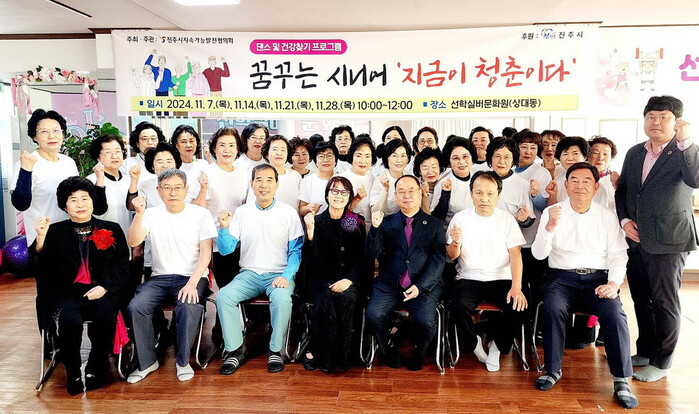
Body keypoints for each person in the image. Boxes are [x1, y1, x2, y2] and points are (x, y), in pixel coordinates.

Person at [532, 162, 637, 409]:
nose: (580, 185)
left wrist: (613, 283)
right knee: (552, 307)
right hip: (561, 279)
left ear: (596, 187)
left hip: (598, 280)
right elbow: (538, 254)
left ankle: (621, 379)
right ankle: (552, 370)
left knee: (614, 313)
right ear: (566, 185)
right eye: (575, 180)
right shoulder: (553, 212)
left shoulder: (607, 216)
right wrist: (549, 228)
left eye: (587, 181)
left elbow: (618, 255)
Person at [615, 95, 699, 383]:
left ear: (677, 122)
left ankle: (662, 362)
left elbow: (696, 179)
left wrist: (686, 142)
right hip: (636, 238)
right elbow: (623, 191)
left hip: (670, 239)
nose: (656, 122)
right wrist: (624, 221)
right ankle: (646, 351)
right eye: (651, 116)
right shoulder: (635, 152)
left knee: (665, 301)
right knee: (641, 299)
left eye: (664, 117)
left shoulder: (684, 150)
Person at [31, 177, 128, 395]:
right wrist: (40, 239)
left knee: (105, 317)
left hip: (101, 290)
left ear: (93, 201)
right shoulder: (54, 231)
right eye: (73, 200)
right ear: (64, 206)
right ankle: (73, 370)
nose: (80, 204)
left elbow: (122, 266)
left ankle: (96, 366)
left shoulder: (112, 228)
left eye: (85, 198)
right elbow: (40, 270)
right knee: (69, 321)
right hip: (68, 293)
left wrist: (105, 287)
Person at [126, 169, 217, 383]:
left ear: (186, 189)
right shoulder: (150, 214)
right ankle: (147, 362)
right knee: (136, 306)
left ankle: (183, 362)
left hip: (192, 277)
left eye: (177, 188)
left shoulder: (200, 214)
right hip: (159, 278)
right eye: (167, 188)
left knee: (188, 304)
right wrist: (139, 214)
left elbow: (206, 254)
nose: (172, 193)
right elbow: (133, 241)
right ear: (158, 190)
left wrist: (192, 283)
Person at [216, 164, 304, 374]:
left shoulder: (288, 213)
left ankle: (275, 350)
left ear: (277, 185)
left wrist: (287, 275)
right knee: (224, 296)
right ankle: (236, 350)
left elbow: (296, 251)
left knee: (282, 299)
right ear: (252, 184)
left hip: (279, 274)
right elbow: (226, 250)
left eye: (269, 180)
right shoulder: (242, 212)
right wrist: (224, 228)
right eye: (259, 180)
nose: (264, 185)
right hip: (249, 274)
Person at [446, 171, 528, 372]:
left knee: (519, 305)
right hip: (468, 277)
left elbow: (515, 254)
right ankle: (473, 343)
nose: (484, 198)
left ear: (498, 195)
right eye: (479, 193)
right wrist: (455, 242)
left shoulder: (506, 219)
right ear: (471, 193)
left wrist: (516, 287)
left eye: (490, 194)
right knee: (457, 305)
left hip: (501, 278)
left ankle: (497, 346)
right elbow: (452, 255)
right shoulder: (460, 218)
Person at [365, 175, 446, 371]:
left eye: (411, 191)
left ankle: (419, 351)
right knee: (373, 315)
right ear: (395, 195)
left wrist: (421, 286)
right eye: (401, 192)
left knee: (425, 322)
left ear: (420, 193)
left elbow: (438, 260)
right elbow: (371, 254)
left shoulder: (434, 224)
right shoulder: (386, 222)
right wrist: (374, 229)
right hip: (389, 284)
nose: (406, 196)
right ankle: (387, 349)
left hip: (423, 284)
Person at [11, 109, 106, 246]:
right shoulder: (26, 163)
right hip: (43, 239)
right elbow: (21, 204)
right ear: (34, 136)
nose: (51, 136)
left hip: (72, 236)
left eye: (56, 131)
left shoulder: (68, 162)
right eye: (44, 132)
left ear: (63, 134)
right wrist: (26, 170)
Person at [303, 177, 366, 372]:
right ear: (327, 195)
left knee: (348, 298)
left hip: (348, 278)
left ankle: (345, 354)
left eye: (344, 192)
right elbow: (310, 261)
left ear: (349, 197)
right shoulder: (317, 221)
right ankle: (322, 355)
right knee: (326, 300)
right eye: (334, 191)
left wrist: (348, 279)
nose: (339, 196)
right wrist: (311, 232)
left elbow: (361, 257)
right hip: (321, 278)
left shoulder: (353, 221)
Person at [202, 128, 249, 345]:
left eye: (231, 145)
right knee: (226, 286)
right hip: (214, 240)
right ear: (214, 148)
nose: (227, 149)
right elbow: (198, 209)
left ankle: (230, 328)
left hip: (239, 239)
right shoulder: (207, 173)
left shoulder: (243, 173)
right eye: (222, 145)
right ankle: (224, 332)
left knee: (237, 285)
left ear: (238, 148)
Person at [513, 130, 553, 307]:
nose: (528, 151)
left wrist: (535, 194)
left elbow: (544, 206)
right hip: (511, 240)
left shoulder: (541, 172)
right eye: (524, 147)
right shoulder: (508, 169)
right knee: (516, 285)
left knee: (536, 286)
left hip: (533, 239)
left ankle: (535, 322)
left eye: (533, 147)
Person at [485, 137, 536, 228]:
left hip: (509, 233)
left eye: (507, 157)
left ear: (513, 161)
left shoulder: (522, 185)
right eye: (497, 156)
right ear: (490, 158)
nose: (502, 161)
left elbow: (529, 220)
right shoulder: (481, 181)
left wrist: (523, 219)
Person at [431, 137, 478, 228]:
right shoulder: (443, 182)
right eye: (456, 158)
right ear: (449, 162)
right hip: (453, 230)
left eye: (465, 157)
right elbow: (436, 217)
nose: (461, 162)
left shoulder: (479, 177)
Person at [248, 135, 302, 211]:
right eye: (274, 149)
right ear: (267, 154)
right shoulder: (259, 175)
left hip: (293, 218)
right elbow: (250, 205)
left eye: (283, 150)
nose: (279, 153)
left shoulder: (295, 176)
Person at [370, 139, 412, 216]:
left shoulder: (410, 178)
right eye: (394, 156)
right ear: (387, 158)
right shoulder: (380, 180)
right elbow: (374, 211)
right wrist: (385, 191)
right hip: (385, 221)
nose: (399, 160)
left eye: (403, 156)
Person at [340, 137, 376, 227]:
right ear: (352, 156)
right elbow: (338, 210)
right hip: (348, 228)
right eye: (359, 155)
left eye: (367, 156)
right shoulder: (342, 179)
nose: (363, 161)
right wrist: (356, 199)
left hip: (369, 228)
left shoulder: (373, 178)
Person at [545, 136, 589, 206]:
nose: (570, 158)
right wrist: (553, 195)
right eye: (565, 154)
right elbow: (550, 208)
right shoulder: (558, 180)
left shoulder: (593, 180)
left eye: (575, 153)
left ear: (585, 157)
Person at [171, 125, 209, 203]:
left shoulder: (204, 164)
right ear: (176, 145)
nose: (188, 145)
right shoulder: (173, 168)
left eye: (191, 141)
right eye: (183, 142)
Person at [299, 141, 337, 216]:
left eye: (329, 156)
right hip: (314, 222)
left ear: (335, 160)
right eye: (321, 156)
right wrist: (309, 208)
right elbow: (302, 210)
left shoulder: (343, 179)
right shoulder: (307, 181)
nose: (325, 160)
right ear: (316, 162)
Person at [587, 136, 619, 211]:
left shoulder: (617, 179)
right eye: (595, 153)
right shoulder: (577, 177)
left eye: (606, 154)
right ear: (587, 155)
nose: (600, 158)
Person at [413, 147, 446, 213]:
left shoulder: (445, 184)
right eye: (425, 168)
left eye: (434, 167)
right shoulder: (415, 189)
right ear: (419, 171)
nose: (430, 172)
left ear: (440, 167)